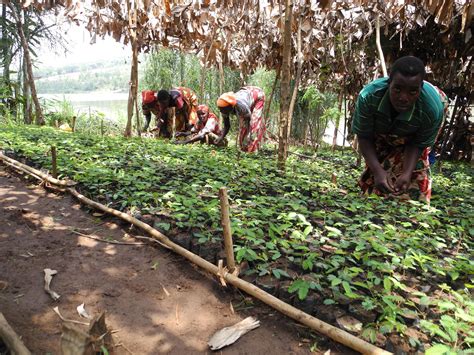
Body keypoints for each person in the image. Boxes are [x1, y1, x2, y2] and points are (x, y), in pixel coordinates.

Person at [352, 56, 447, 203]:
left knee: (413, 192)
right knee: (374, 185)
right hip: (383, 132)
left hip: (418, 128)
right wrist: (377, 171)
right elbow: (364, 136)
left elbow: (418, 143)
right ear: (388, 83)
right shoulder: (368, 97)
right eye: (397, 89)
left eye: (412, 92)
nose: (403, 97)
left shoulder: (432, 109)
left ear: (420, 89)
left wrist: (407, 173)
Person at [216, 86, 266, 152]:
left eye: (223, 110)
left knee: (254, 124)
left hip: (257, 94)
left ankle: (253, 151)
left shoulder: (241, 107)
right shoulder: (224, 108)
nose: (221, 112)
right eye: (220, 109)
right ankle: (244, 149)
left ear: (231, 107)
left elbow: (249, 121)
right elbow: (227, 126)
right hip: (247, 95)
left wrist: (249, 137)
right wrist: (221, 137)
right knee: (243, 129)